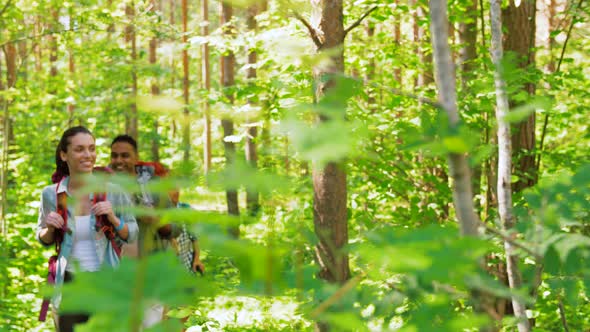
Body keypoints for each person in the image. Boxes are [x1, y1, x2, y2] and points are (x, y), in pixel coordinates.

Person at [36, 126, 138, 332]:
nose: (88, 155)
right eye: (80, 149)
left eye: (91, 149)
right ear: (64, 155)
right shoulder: (52, 194)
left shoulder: (113, 191)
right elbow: (43, 239)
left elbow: (132, 233)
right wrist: (49, 228)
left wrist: (114, 219)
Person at [110, 134, 181, 326]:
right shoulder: (103, 189)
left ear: (136, 157)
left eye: (125, 155)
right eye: (114, 156)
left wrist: (155, 220)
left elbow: (176, 228)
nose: (119, 161)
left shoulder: (153, 188)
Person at [169, 190, 205, 275]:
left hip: (187, 264)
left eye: (177, 188)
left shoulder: (186, 209)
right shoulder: (158, 212)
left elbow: (195, 238)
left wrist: (197, 259)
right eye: (172, 189)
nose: (176, 192)